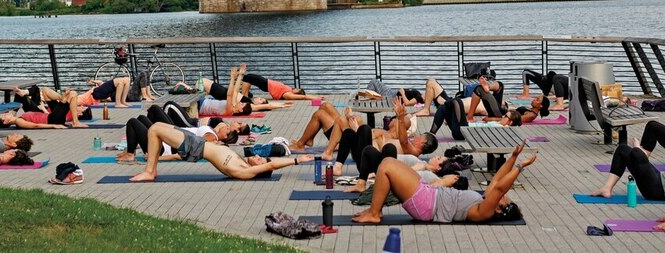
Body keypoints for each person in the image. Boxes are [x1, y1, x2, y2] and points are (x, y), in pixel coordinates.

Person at [352, 141, 536, 224]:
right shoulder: (484, 202)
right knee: (389, 164)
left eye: (505, 199)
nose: (503, 195)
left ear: (500, 209)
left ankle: (375, 213)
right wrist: (513, 157)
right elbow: (496, 180)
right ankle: (374, 210)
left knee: (387, 165)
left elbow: (501, 187)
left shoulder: (485, 212)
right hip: (428, 194)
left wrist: (520, 167)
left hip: (426, 204)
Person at [129, 123, 314, 181]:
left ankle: (150, 171)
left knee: (154, 130)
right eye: (260, 156)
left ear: (260, 169)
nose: (257, 157)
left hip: (197, 147)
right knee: (158, 126)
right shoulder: (243, 163)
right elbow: (270, 163)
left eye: (260, 160)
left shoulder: (244, 172)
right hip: (199, 143)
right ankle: (151, 169)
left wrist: (297, 161)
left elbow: (273, 164)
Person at [589, 140, 665, 202]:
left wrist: (638, 148)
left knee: (636, 153)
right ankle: (607, 188)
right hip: (660, 179)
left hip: (658, 189)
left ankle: (640, 151)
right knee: (622, 149)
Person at [240, 70, 324, 101]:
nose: (296, 88)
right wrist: (315, 96)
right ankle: (246, 96)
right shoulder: (289, 91)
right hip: (266, 83)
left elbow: (303, 97)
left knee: (247, 78)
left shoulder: (288, 94)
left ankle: (244, 98)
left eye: (297, 89)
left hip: (266, 84)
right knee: (248, 77)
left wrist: (314, 98)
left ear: (297, 93)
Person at [356, 80, 422, 105]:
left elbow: (407, 103)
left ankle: (363, 96)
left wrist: (403, 93)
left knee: (374, 82)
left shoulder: (419, 96)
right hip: (392, 93)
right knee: (374, 86)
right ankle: (363, 96)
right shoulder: (419, 95)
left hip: (391, 96)